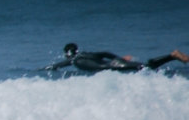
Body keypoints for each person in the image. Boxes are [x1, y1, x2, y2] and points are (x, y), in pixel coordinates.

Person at [45, 42, 188, 73]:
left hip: (114, 65)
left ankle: (173, 56)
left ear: (67, 53)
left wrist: (43, 69)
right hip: (115, 63)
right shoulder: (84, 54)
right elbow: (105, 53)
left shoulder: (74, 59)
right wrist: (121, 59)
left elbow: (56, 66)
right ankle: (172, 57)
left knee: (146, 67)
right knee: (144, 67)